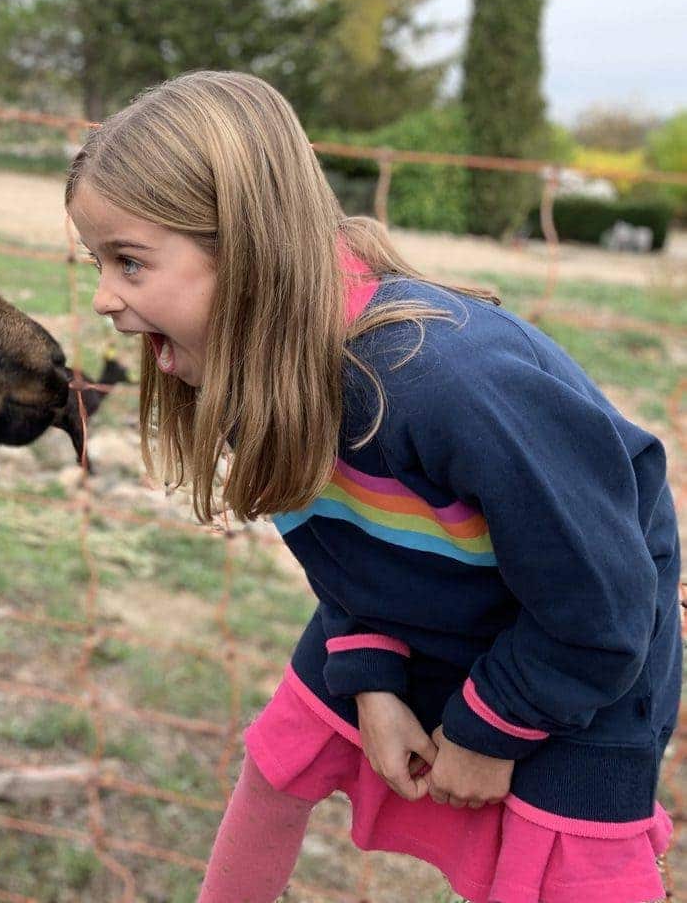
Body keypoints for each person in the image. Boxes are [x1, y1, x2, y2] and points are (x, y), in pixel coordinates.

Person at [65, 71, 680, 903]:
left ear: (247, 250)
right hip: (411, 610)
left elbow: (604, 606)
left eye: (129, 262)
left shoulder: (445, 381)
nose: (105, 298)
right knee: (276, 766)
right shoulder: (251, 370)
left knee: (568, 876)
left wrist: (485, 731)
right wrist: (373, 682)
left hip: (577, 659)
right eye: (97, 262)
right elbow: (342, 555)